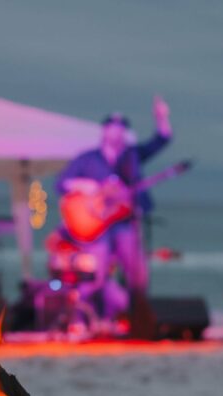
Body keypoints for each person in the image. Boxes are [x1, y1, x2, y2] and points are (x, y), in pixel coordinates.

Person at [54, 95, 172, 320]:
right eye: (112, 127)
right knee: (94, 275)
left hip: (126, 223)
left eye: (120, 128)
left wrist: (162, 118)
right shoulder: (88, 158)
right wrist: (87, 185)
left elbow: (162, 140)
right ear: (104, 130)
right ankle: (82, 321)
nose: (116, 132)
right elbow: (61, 183)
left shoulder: (132, 155)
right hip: (98, 229)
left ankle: (137, 321)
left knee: (137, 275)